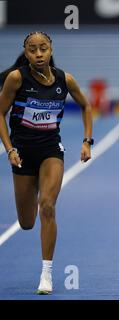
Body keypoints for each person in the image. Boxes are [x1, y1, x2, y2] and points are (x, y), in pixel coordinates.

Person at [0, 31, 94, 294]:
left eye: (43, 49)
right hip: (22, 154)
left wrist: (87, 140)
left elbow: (86, 106)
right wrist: (9, 149)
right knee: (27, 222)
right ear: (25, 52)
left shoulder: (65, 79)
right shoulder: (17, 78)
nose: (38, 54)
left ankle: (46, 274)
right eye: (32, 49)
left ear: (51, 49)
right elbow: (0, 112)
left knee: (48, 205)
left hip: (51, 149)